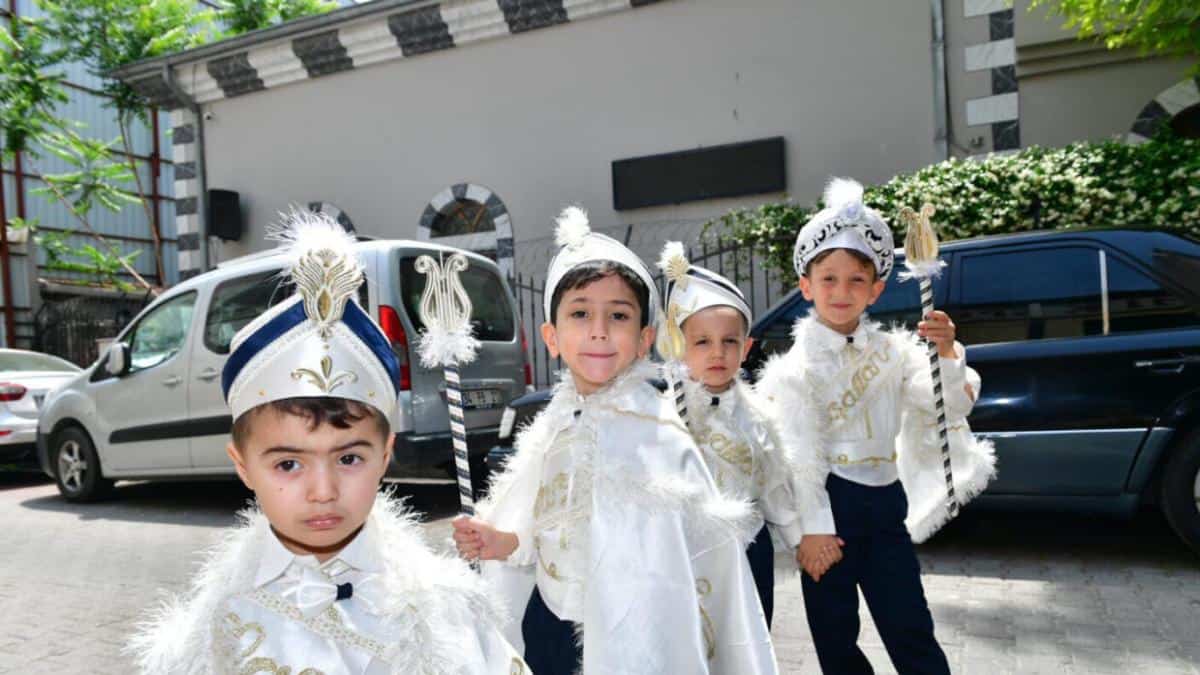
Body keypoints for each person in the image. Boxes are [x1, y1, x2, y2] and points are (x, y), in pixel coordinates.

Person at [127, 211, 526, 675]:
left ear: (386, 454)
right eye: (288, 465)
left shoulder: (449, 609)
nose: (323, 491)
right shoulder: (215, 631)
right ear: (242, 465)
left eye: (350, 457)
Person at [452, 207, 777, 674]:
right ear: (552, 336)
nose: (599, 330)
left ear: (645, 338)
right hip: (552, 624)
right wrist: (502, 542)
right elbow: (547, 524)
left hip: (635, 639)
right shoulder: (552, 428)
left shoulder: (660, 435)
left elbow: (694, 565)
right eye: (580, 313)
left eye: (618, 315)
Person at [756, 178, 996, 674]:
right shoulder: (791, 372)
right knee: (835, 638)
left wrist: (946, 353)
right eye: (828, 279)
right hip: (830, 506)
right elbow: (796, 458)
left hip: (885, 502)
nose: (841, 292)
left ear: (876, 290)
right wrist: (810, 534)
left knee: (909, 626)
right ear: (806, 286)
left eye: (856, 280)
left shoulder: (897, 354)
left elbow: (947, 408)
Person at [655, 241, 821, 628]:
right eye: (702, 342)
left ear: (746, 348)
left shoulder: (761, 416)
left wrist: (800, 539)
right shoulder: (662, 416)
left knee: (751, 636)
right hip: (687, 552)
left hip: (749, 548)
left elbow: (774, 483)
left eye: (729, 341)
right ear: (679, 348)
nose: (717, 353)